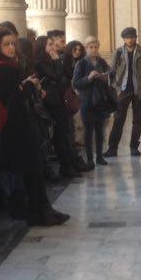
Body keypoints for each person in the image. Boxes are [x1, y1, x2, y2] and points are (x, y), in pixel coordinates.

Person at [0, 27, 69, 226]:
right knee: (32, 171)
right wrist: (29, 86)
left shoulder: (5, 66)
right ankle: (38, 213)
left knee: (34, 171)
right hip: (17, 127)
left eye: (12, 43)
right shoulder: (1, 69)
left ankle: (41, 210)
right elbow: (13, 99)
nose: (11, 48)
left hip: (21, 124)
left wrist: (26, 85)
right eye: (6, 44)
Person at [35, 35, 87, 178]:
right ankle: (66, 167)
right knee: (60, 135)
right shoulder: (40, 62)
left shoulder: (51, 61)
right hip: (51, 102)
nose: (53, 47)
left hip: (58, 99)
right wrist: (58, 61)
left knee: (65, 133)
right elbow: (56, 76)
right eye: (50, 44)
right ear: (42, 47)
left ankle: (71, 164)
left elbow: (63, 78)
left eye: (53, 44)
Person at [105, 26, 141, 158]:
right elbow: (112, 71)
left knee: (137, 120)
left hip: (139, 90)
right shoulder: (118, 52)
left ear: (136, 38)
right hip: (123, 90)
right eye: (127, 38)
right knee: (118, 120)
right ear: (124, 39)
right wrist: (115, 88)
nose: (130, 40)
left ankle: (134, 147)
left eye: (132, 37)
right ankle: (112, 148)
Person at [73, 37, 113, 167]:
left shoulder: (101, 62)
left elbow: (111, 74)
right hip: (87, 100)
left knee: (100, 130)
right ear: (86, 48)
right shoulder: (81, 63)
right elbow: (76, 83)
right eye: (91, 47)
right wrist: (89, 78)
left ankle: (99, 156)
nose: (94, 49)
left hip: (100, 99)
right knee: (88, 130)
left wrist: (105, 76)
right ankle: (90, 158)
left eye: (96, 47)